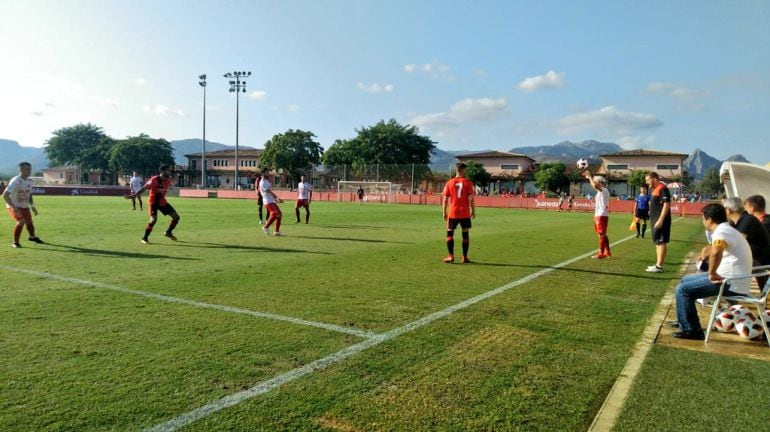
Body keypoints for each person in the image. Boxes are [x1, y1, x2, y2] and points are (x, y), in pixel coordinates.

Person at [672, 203, 753, 340]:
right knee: (686, 280)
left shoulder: (722, 231)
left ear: (709, 219)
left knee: (682, 289)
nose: (702, 221)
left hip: (730, 283)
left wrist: (712, 273)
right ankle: (684, 320)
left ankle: (691, 330)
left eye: (703, 218)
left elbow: (716, 251)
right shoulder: (727, 229)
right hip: (734, 279)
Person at [127, 164, 180, 244]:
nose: (170, 172)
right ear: (162, 171)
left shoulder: (168, 179)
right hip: (153, 202)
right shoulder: (154, 179)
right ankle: (144, 238)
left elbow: (169, 186)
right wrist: (134, 195)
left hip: (162, 202)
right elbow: (144, 188)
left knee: (176, 217)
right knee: (153, 220)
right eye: (168, 170)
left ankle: (168, 232)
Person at [3, 162, 44, 248]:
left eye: (30, 169)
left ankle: (32, 237)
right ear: (21, 170)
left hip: (24, 205)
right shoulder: (15, 181)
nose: (29, 171)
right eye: (27, 169)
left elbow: (29, 194)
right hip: (13, 204)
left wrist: (32, 206)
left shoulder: (30, 181)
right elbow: (5, 195)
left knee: (29, 221)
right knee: (21, 221)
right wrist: (14, 207)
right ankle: (15, 242)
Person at [442, 162, 476, 264]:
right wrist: (473, 210)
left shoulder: (449, 183)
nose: (466, 172)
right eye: (465, 170)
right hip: (465, 212)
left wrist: (444, 212)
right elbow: (471, 198)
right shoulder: (468, 182)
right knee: (465, 234)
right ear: (460, 170)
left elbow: (445, 199)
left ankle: (450, 256)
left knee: (449, 233)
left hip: (453, 212)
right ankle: (464, 257)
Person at [645, 172, 671, 273]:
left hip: (660, 221)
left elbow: (666, 205)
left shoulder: (662, 188)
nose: (646, 183)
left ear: (654, 178)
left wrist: (660, 220)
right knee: (658, 242)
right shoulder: (655, 189)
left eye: (647, 180)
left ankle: (659, 266)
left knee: (661, 242)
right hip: (655, 220)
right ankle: (657, 265)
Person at [584, 171, 611, 259]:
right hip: (599, 215)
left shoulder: (604, 190)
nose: (594, 183)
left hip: (601, 215)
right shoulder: (600, 192)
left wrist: (590, 177)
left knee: (601, 234)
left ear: (600, 183)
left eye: (596, 181)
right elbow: (595, 186)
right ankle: (607, 252)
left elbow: (595, 185)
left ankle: (601, 253)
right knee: (603, 234)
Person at [260, 168, 283, 236]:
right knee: (276, 213)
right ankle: (265, 227)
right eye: (267, 172)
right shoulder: (262, 182)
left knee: (279, 215)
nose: (268, 173)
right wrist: (276, 197)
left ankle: (276, 231)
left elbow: (270, 192)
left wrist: (275, 199)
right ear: (263, 173)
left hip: (271, 201)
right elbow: (268, 191)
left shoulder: (267, 181)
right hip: (267, 201)